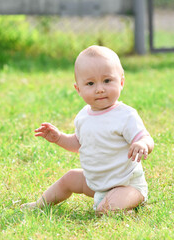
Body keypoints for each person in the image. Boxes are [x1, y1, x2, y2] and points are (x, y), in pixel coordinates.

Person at [21, 45, 154, 214]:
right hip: (97, 183)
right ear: (78, 89)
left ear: (121, 82)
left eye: (107, 81)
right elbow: (79, 143)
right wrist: (59, 138)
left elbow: (147, 138)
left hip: (126, 184)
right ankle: (40, 204)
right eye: (90, 83)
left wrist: (142, 143)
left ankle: (125, 209)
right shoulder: (83, 116)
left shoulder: (125, 115)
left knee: (103, 209)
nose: (100, 89)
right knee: (69, 178)